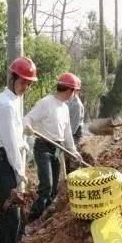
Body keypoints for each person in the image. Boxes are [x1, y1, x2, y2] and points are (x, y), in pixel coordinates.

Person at [0, 56, 37, 243]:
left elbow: (15, 135)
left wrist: (24, 136)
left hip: (7, 159)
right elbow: (9, 143)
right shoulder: (7, 105)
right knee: (11, 212)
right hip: (3, 161)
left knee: (13, 211)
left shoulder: (14, 101)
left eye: (28, 83)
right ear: (13, 78)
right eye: (23, 81)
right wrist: (20, 171)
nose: (25, 86)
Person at [24, 72, 83, 222]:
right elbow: (28, 118)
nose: (75, 95)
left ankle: (44, 223)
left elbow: (67, 133)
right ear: (69, 91)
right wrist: (28, 126)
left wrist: (74, 151)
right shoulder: (46, 103)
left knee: (54, 190)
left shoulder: (64, 108)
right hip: (43, 147)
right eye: (75, 92)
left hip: (57, 148)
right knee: (47, 186)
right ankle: (31, 221)